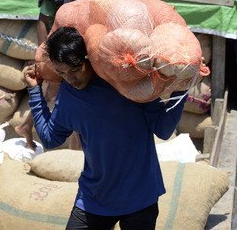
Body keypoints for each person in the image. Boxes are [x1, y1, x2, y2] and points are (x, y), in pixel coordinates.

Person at [22, 26, 187, 230]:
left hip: (140, 197)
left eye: (75, 69)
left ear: (88, 58)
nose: (71, 79)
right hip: (94, 198)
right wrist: (34, 91)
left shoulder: (127, 81)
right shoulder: (68, 94)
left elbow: (163, 129)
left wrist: (183, 87)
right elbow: (50, 138)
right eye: (62, 73)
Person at [15, 0, 100, 150]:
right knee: (59, 93)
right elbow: (43, 21)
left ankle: (26, 126)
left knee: (60, 93)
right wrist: (45, 55)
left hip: (74, 51)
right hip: (58, 51)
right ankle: (30, 128)